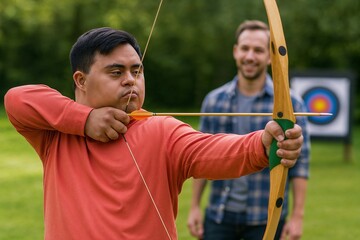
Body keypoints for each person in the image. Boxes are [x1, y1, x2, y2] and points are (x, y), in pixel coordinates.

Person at [4, 27, 303, 240]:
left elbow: (215, 151)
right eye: (116, 72)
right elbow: (17, 99)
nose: (130, 81)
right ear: (81, 80)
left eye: (137, 71)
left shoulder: (162, 131)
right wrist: (85, 120)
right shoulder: (57, 134)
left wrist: (264, 144)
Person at [187, 20, 310, 240]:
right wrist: (195, 206)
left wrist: (297, 217)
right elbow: (200, 158)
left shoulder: (290, 104)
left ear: (271, 57)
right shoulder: (214, 101)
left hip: (266, 216)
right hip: (220, 214)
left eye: (258, 50)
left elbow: (301, 165)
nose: (250, 56)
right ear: (235, 51)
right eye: (245, 48)